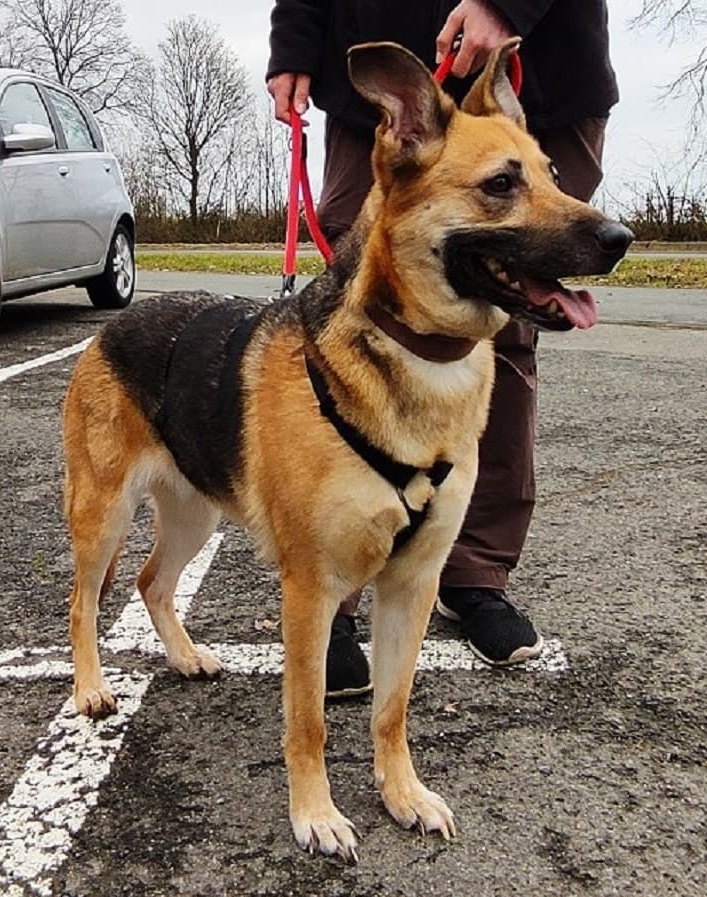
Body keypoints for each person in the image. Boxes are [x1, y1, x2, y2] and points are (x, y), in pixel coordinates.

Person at [266, 0, 619, 697]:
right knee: (351, 309)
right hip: (374, 55)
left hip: (546, 57)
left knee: (509, 316)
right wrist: (293, 42)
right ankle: (330, 582)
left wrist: (505, 4)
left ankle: (474, 572)